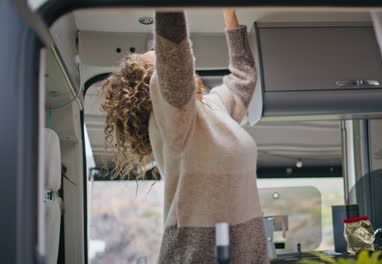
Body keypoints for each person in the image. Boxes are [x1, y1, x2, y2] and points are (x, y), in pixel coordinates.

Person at [101, 9, 268, 263]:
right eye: (153, 55)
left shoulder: (213, 109)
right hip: (194, 254)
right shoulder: (172, 120)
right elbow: (174, 55)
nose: (155, 51)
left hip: (244, 250)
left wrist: (229, 13)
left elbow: (244, 77)